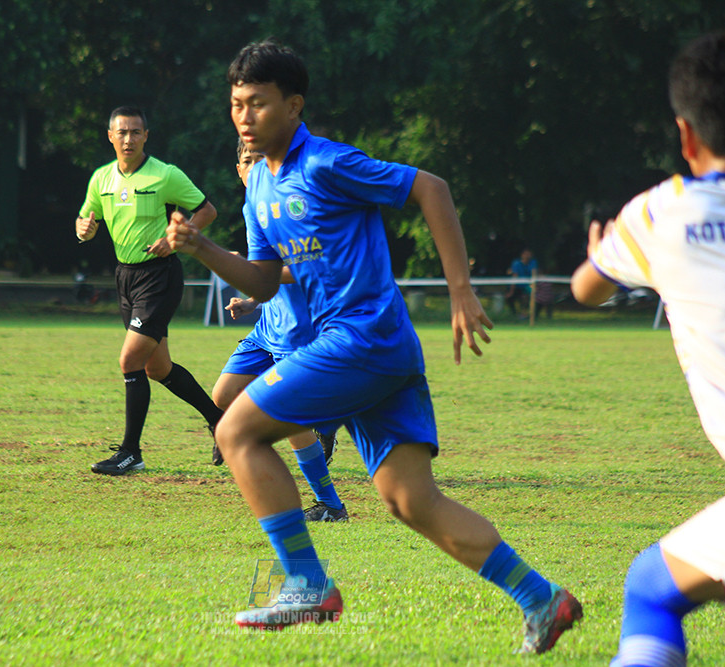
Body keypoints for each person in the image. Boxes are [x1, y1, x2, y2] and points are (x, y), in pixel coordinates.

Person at [167, 40, 581, 653]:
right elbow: (260, 278)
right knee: (411, 500)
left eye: (258, 103)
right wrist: (204, 250)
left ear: (293, 105)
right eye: (236, 104)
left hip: (361, 338)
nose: (244, 117)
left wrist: (461, 291)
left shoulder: (328, 163)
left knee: (235, 431)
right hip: (369, 351)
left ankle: (307, 583)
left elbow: (431, 189)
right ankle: (543, 598)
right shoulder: (257, 187)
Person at [571, 29, 725, 665]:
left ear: (687, 136)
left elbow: (587, 289)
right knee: (653, 584)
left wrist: (597, 255)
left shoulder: (661, 214)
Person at [75, 105, 224, 475]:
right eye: (121, 132)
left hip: (159, 276)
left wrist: (175, 239)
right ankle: (221, 422)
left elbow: (207, 211)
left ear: (146, 136)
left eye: (135, 132)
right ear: (110, 136)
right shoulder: (101, 179)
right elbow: (85, 219)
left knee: (130, 361)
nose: (128, 139)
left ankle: (130, 452)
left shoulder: (165, 175)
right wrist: (84, 229)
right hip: (125, 277)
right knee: (158, 368)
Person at [212, 139, 346, 522]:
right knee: (223, 394)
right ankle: (322, 420)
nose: (252, 167)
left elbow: (311, 264)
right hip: (267, 326)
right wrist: (252, 299)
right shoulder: (251, 206)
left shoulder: (291, 204)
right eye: (245, 161)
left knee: (288, 418)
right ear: (237, 169)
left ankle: (331, 505)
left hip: (297, 333)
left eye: (258, 160)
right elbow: (267, 275)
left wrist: (254, 273)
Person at [505, 248, 537, 318]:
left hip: (528, 286)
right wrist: (511, 291)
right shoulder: (516, 263)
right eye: (525, 254)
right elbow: (514, 276)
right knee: (509, 298)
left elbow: (535, 275)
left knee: (530, 295)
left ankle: (526, 313)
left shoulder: (533, 263)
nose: (527, 256)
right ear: (522, 255)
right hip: (517, 287)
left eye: (529, 254)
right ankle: (514, 314)